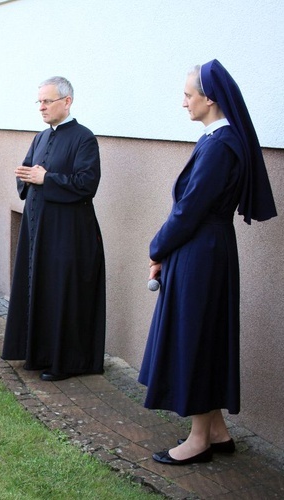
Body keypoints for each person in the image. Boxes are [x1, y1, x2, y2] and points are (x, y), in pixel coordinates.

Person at [139, 60, 276, 466]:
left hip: (201, 252)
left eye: (188, 95)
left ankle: (198, 440)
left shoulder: (220, 145)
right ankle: (216, 430)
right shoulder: (218, 139)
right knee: (205, 333)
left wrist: (156, 248)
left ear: (209, 98)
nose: (183, 103)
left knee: (196, 337)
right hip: (204, 249)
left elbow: (189, 210)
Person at [1, 76, 106, 382]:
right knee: (39, 287)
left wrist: (47, 179)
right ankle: (39, 353)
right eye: (40, 102)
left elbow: (87, 184)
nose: (42, 107)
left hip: (68, 233)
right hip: (38, 230)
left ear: (67, 102)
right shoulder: (41, 137)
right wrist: (25, 176)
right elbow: (29, 171)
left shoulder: (84, 138)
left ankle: (67, 361)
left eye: (47, 101)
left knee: (62, 293)